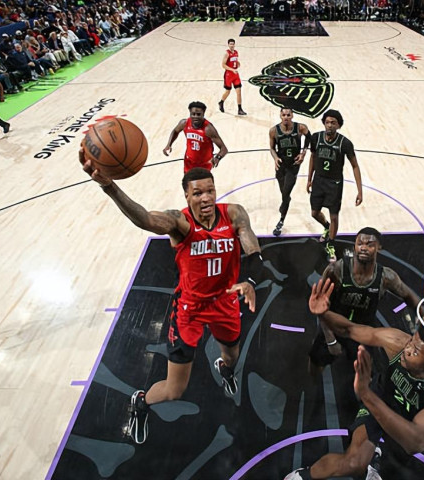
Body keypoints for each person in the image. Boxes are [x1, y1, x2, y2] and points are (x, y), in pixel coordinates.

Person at [79, 153, 263, 445]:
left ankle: (225, 369)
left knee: (232, 358)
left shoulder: (234, 213)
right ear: (187, 196)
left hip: (225, 303)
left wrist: (249, 281)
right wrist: (109, 186)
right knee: (174, 391)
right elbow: (146, 219)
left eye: (210, 190)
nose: (206, 198)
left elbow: (253, 249)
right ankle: (141, 402)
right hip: (190, 310)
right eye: (197, 193)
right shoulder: (180, 222)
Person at [285, 278, 424, 480]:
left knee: (398, 463)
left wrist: (366, 394)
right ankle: (302, 475)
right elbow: (350, 329)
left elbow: (415, 442)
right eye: (412, 341)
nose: (408, 349)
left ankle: (374, 459)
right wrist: (324, 314)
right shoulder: (398, 342)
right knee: (354, 463)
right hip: (380, 396)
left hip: (407, 423)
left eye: (416, 351)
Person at [309, 227, 424, 377]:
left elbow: (409, 296)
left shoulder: (386, 277)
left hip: (363, 332)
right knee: (315, 363)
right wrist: (330, 340)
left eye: (369, 244)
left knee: (365, 373)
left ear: (379, 247)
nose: (363, 248)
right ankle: (312, 384)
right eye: (360, 243)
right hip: (334, 326)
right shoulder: (336, 270)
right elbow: (321, 309)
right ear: (355, 246)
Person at [306, 109, 363, 262]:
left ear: (338, 125)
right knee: (314, 213)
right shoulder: (316, 138)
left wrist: (360, 191)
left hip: (334, 183)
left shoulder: (345, 143)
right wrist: (309, 178)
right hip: (319, 180)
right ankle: (326, 226)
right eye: (327, 122)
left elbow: (355, 166)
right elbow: (312, 158)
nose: (330, 125)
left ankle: (331, 244)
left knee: (334, 217)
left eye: (333, 123)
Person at [269, 107, 311, 236]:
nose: (286, 117)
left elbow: (309, 137)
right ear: (280, 116)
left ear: (292, 115)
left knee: (286, 193)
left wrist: (303, 153)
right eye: (284, 115)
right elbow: (272, 148)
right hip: (281, 165)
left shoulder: (300, 128)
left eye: (288, 115)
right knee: (284, 193)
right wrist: (275, 158)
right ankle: (285, 202)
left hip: (293, 165)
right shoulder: (274, 131)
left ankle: (281, 221)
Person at [163, 101, 229, 173]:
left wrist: (218, 158)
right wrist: (169, 144)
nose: (195, 117)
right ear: (190, 113)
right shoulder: (184, 123)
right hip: (189, 162)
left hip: (205, 164)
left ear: (203, 114)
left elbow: (224, 149)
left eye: (198, 114)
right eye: (193, 114)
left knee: (202, 180)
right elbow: (175, 131)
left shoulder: (208, 129)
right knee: (188, 180)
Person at [218, 39, 247, 116]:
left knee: (239, 92)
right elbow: (223, 65)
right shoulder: (226, 53)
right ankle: (221, 102)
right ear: (228, 45)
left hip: (235, 75)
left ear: (234, 44)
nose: (232, 45)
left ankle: (240, 109)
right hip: (228, 75)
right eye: (230, 44)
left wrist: (238, 63)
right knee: (228, 91)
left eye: (233, 44)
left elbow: (235, 61)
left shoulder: (236, 52)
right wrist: (232, 69)